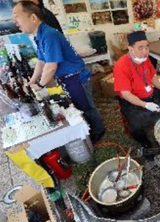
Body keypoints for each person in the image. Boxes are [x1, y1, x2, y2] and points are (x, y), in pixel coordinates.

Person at [12, 1, 105, 144]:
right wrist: (32, 81)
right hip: (67, 78)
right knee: (77, 105)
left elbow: (51, 66)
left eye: (17, 16)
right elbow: (41, 61)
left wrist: (41, 84)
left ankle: (99, 130)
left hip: (75, 77)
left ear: (33, 18)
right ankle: (88, 126)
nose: (14, 21)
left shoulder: (49, 34)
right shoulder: (40, 35)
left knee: (87, 106)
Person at [113, 31, 160, 148]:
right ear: (130, 49)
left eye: (147, 47)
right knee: (136, 125)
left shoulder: (145, 59)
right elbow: (126, 94)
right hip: (133, 100)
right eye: (140, 48)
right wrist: (145, 105)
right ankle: (144, 142)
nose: (145, 51)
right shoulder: (121, 66)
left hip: (149, 93)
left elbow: (152, 76)